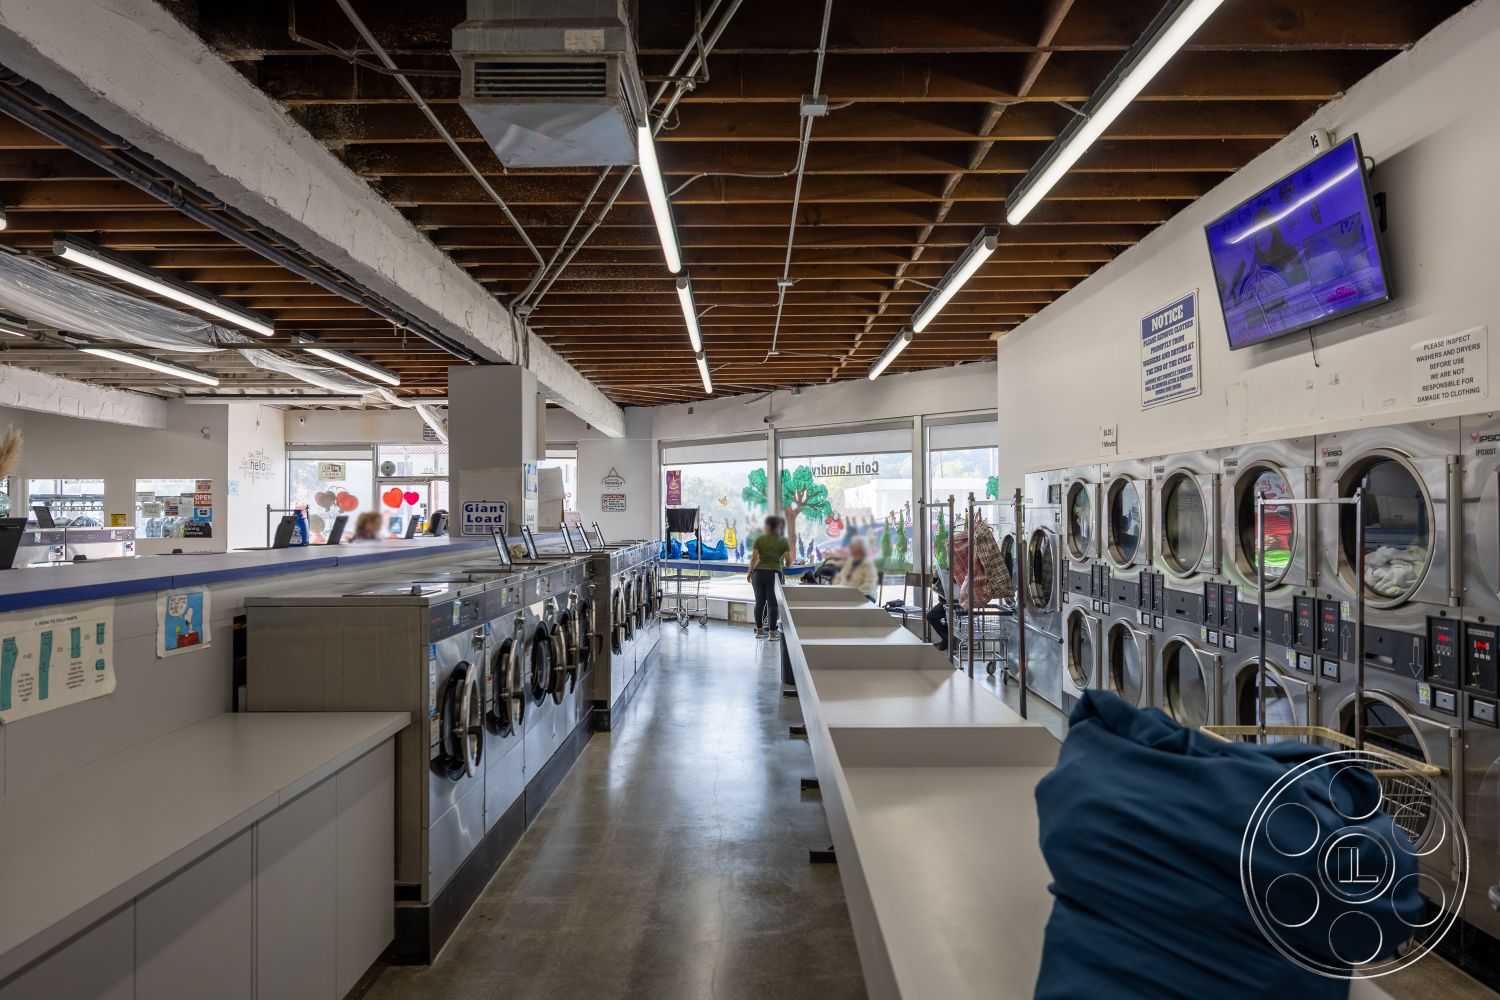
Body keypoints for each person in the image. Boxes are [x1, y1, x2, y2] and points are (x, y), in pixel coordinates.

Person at [746, 515, 793, 640]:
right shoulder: (782, 541)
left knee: (759, 603)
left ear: (767, 527)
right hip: (774, 574)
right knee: (772, 604)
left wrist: (750, 571)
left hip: (758, 574)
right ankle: (772, 633)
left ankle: (760, 631)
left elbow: (754, 558)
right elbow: (789, 560)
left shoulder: (760, 539)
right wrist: (787, 564)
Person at [834, 536, 879, 603]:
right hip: (847, 594)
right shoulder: (850, 561)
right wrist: (835, 589)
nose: (850, 548)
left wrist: (851, 594)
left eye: (853, 547)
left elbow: (868, 585)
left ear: (860, 549)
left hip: (865, 595)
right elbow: (839, 577)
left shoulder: (868, 564)